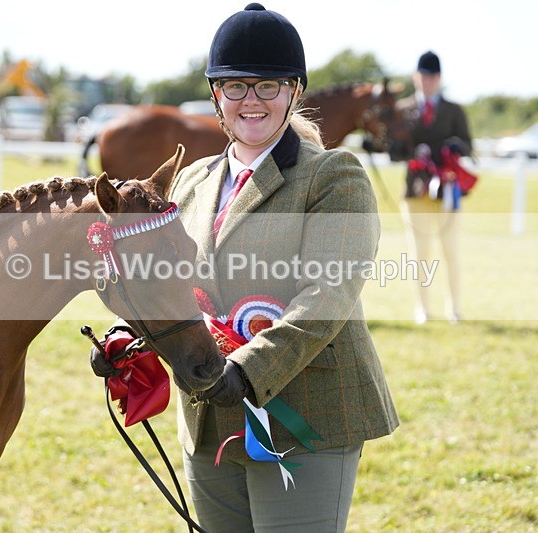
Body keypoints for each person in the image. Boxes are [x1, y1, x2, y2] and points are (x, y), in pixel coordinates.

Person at [92, 4, 398, 532]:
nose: (250, 100)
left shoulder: (332, 176)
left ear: (294, 92)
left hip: (307, 420)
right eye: (235, 86)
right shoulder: (190, 182)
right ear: (216, 95)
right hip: (209, 420)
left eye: (268, 86)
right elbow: (167, 285)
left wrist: (246, 371)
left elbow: (326, 297)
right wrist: (128, 337)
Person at [397, 50, 474, 324]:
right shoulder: (403, 110)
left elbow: (468, 144)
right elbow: (396, 149)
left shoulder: (454, 110)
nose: (427, 81)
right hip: (415, 191)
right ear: (415, 77)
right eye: (423, 75)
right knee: (420, 253)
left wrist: (456, 147)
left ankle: (453, 308)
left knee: (450, 250)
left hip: (447, 190)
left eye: (432, 76)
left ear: (438, 78)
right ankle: (422, 309)